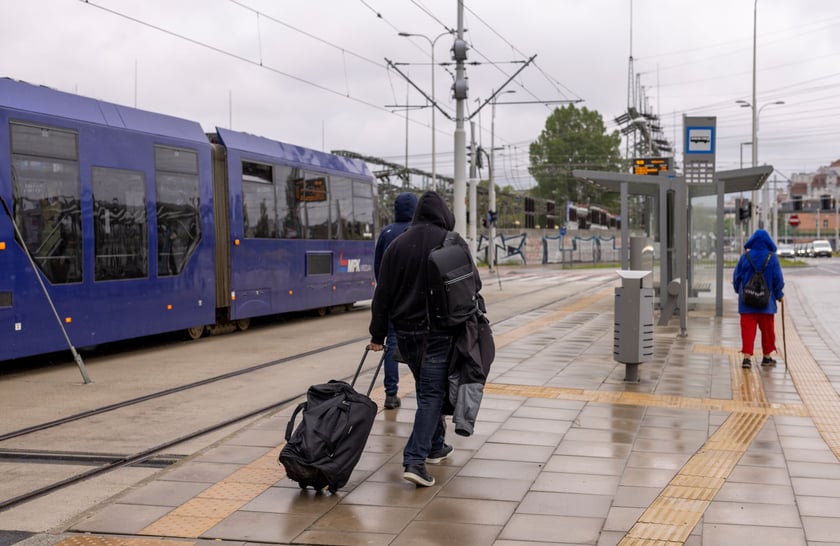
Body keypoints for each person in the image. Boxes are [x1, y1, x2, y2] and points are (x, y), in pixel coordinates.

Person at [368, 190, 481, 487]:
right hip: (438, 333)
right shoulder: (451, 241)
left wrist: (378, 334)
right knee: (432, 395)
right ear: (443, 214)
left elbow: (382, 294)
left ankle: (435, 447)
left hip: (405, 334)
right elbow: (474, 283)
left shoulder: (397, 244)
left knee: (427, 389)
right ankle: (415, 460)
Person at [373, 192, 418, 409]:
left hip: (392, 299)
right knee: (420, 346)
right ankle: (424, 391)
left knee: (392, 344)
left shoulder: (387, 233)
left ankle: (391, 394)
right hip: (416, 300)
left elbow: (378, 268)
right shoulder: (419, 232)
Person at [733, 229, 785, 369]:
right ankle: (767, 357)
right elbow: (777, 278)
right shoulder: (772, 257)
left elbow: (737, 276)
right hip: (766, 303)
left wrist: (740, 290)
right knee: (767, 330)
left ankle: (747, 359)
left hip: (747, 302)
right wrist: (779, 294)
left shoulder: (745, 257)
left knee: (747, 330)